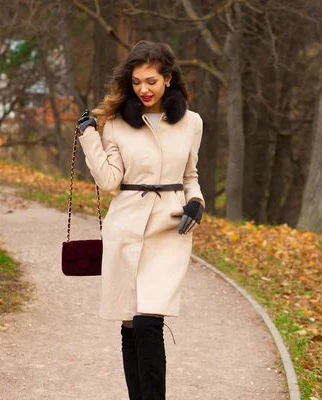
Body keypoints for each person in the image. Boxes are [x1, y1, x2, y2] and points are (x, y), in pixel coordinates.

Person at [75, 40, 205, 400]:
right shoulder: (116, 124)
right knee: (131, 325)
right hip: (127, 227)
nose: (143, 89)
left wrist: (196, 202)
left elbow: (191, 174)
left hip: (170, 229)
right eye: (136, 82)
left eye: (150, 81)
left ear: (168, 78)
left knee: (150, 320)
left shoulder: (191, 122)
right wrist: (89, 136)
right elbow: (108, 181)